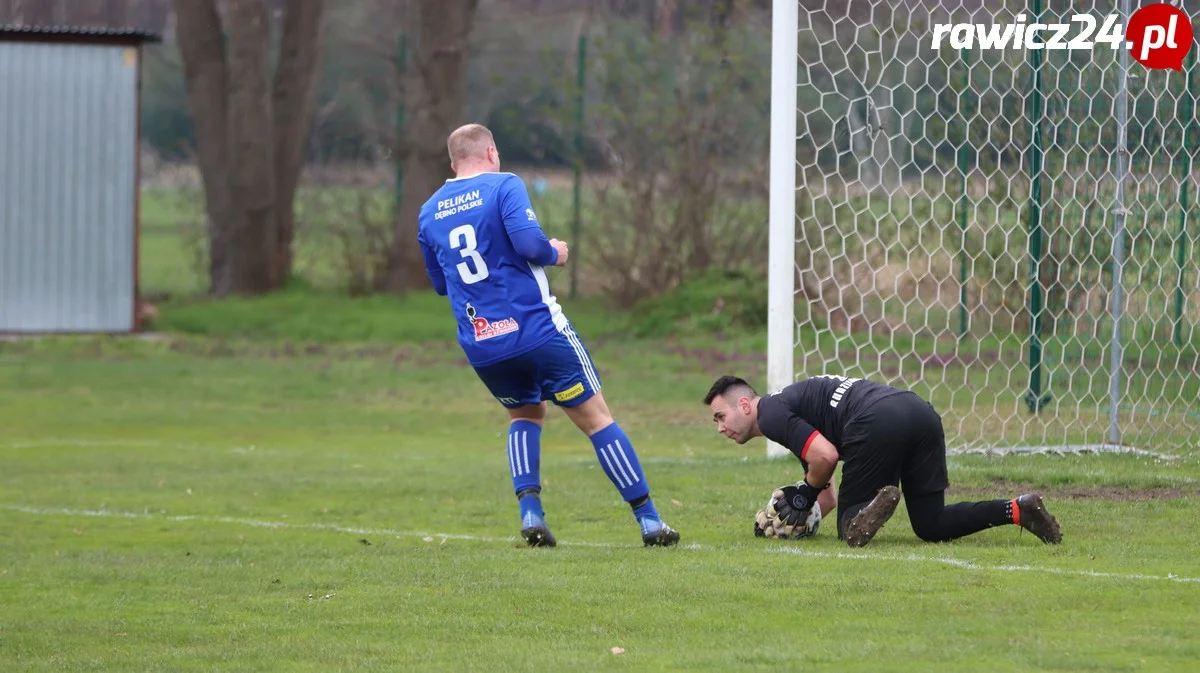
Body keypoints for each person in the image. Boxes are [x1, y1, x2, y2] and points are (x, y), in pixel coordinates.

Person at [417, 123, 680, 548]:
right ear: (491, 153)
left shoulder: (429, 210)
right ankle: (650, 521)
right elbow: (529, 245)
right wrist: (554, 252)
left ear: (452, 162)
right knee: (596, 419)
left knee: (524, 415)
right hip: (536, 330)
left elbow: (440, 284)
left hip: (483, 343)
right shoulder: (504, 185)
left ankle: (531, 514)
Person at [702, 374, 1062, 547]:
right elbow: (824, 486)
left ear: (746, 405)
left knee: (851, 530)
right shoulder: (789, 408)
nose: (720, 428)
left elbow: (825, 458)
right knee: (931, 525)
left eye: (720, 416)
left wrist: (803, 493)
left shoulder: (772, 414)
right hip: (918, 412)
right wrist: (799, 520)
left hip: (874, 421)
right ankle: (1018, 509)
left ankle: (880, 500)